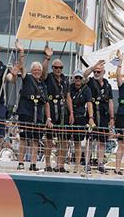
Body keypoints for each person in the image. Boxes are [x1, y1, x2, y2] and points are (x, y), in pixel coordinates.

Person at [16, 58, 50, 171]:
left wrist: (48, 118)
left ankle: (33, 164)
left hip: (38, 115)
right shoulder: (27, 79)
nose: (37, 72)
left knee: (35, 140)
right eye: (35, 70)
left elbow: (46, 102)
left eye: (39, 70)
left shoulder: (43, 85)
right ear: (31, 71)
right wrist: (21, 53)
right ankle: (21, 162)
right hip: (26, 113)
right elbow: (23, 68)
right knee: (24, 138)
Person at [42, 45, 71, 173]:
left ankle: (60, 164)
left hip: (62, 110)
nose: (58, 70)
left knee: (63, 139)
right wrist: (47, 58)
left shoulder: (65, 79)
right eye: (56, 67)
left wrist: (71, 113)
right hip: (51, 109)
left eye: (60, 68)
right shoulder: (48, 77)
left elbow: (68, 97)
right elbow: (43, 72)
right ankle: (48, 164)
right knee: (49, 139)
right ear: (53, 68)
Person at [84, 59, 114, 174]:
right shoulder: (90, 81)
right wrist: (93, 67)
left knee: (102, 141)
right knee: (90, 140)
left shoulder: (107, 84)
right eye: (95, 72)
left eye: (98, 72)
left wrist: (112, 118)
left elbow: (110, 101)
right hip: (92, 115)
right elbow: (84, 75)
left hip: (104, 114)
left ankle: (100, 163)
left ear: (103, 72)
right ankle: (87, 163)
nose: (96, 74)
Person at [69, 69, 93, 173]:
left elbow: (89, 103)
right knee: (64, 140)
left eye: (80, 78)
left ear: (82, 79)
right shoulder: (69, 87)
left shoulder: (86, 89)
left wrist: (91, 117)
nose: (78, 80)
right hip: (69, 115)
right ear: (73, 78)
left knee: (78, 142)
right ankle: (60, 164)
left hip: (80, 117)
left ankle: (77, 165)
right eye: (76, 78)